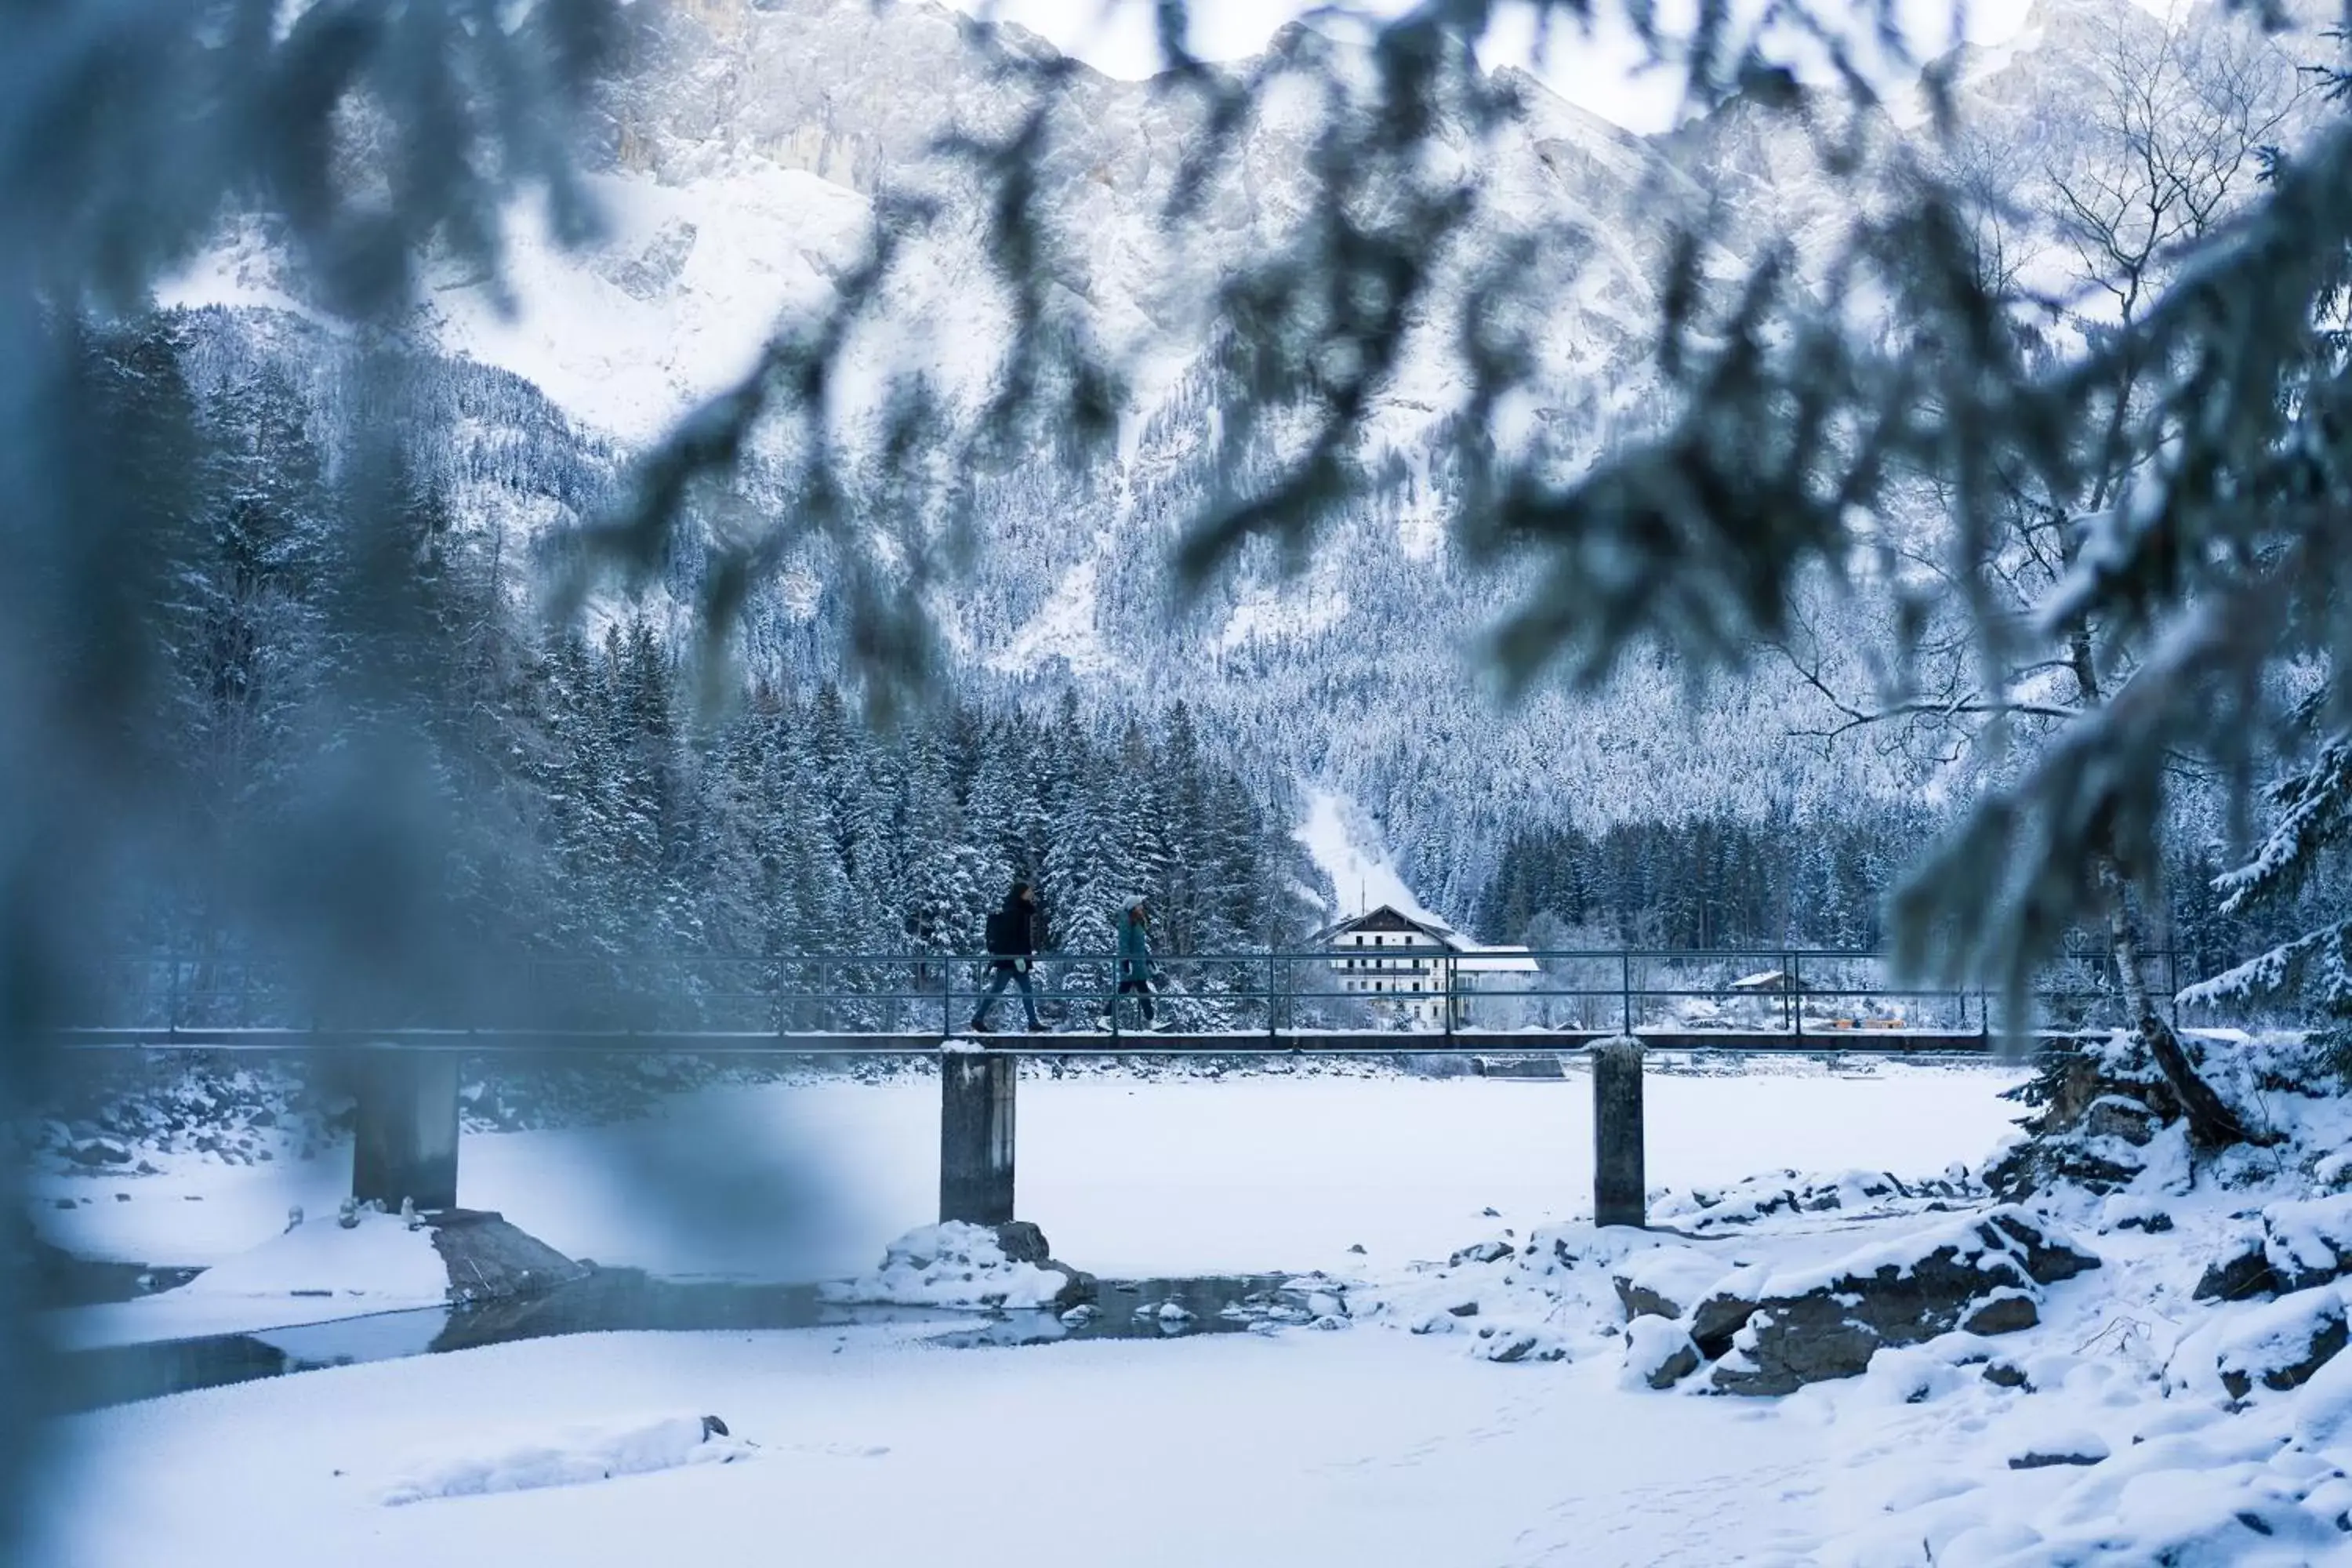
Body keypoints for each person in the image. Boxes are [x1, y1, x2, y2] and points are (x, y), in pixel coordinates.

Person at [968, 881, 1045, 1033]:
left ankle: (1033, 1022)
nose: (1031, 894)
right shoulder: (1014, 911)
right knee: (1000, 989)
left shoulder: (1019, 909)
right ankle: (978, 1019)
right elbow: (1010, 937)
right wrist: (1017, 957)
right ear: (1021, 893)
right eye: (1028, 891)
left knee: (1023, 990)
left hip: (1016, 959)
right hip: (1012, 960)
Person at [1109, 895, 1160, 1029]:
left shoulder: (1136, 922)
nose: (1141, 908)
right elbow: (1123, 944)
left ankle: (1152, 1021)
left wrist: (1148, 960)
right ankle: (1105, 1018)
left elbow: (1139, 946)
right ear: (1132, 907)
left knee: (1137, 990)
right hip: (1132, 965)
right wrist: (1126, 961)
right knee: (1129, 990)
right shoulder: (1126, 922)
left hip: (1137, 964)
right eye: (1138, 906)